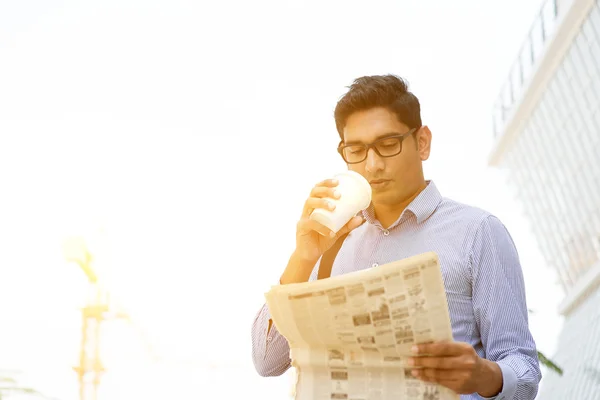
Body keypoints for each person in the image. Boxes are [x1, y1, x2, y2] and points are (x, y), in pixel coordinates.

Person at [251, 74, 541, 399]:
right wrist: (303, 257)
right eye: (356, 150)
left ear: (422, 142)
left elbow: (524, 371)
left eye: (388, 145)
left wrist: (483, 374)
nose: (372, 165)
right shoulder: (331, 242)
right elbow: (267, 361)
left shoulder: (478, 232)